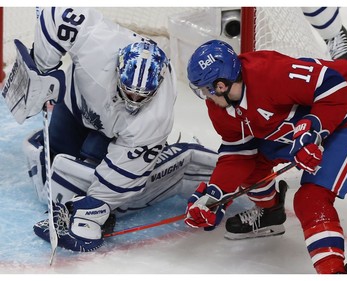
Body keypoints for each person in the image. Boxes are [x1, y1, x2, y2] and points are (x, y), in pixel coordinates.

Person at [18, 7, 218, 252]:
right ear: (117, 68)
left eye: (142, 96)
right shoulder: (99, 44)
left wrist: (97, 206)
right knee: (53, 164)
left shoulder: (155, 118)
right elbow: (54, 13)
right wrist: (43, 67)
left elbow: (123, 174)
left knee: (84, 180)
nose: (133, 101)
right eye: (129, 91)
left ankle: (166, 154)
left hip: (119, 134)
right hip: (75, 104)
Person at [184, 39, 347, 274]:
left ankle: (334, 271)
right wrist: (214, 195)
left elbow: (335, 85)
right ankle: (271, 213)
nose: (205, 96)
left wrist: (314, 128)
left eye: (206, 89)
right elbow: (239, 154)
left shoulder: (269, 73)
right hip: (294, 128)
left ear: (221, 85)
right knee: (253, 165)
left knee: (310, 199)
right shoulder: (220, 108)